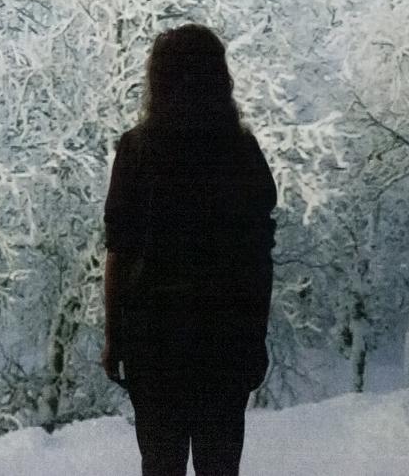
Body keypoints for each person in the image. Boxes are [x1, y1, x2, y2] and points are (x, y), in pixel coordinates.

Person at [100, 23, 277, 476]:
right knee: (220, 466)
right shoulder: (242, 154)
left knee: (160, 466)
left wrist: (114, 336)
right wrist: (254, 338)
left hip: (154, 339)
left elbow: (119, 251)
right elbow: (258, 260)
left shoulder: (137, 152)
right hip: (225, 339)